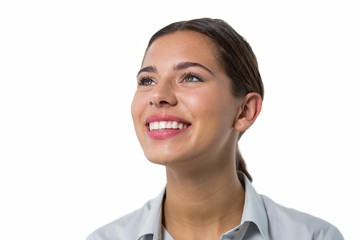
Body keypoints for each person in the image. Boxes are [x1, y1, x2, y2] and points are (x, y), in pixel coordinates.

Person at [86, 18, 344, 240]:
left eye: (191, 77)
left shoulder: (314, 236)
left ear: (245, 111)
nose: (158, 95)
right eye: (147, 80)